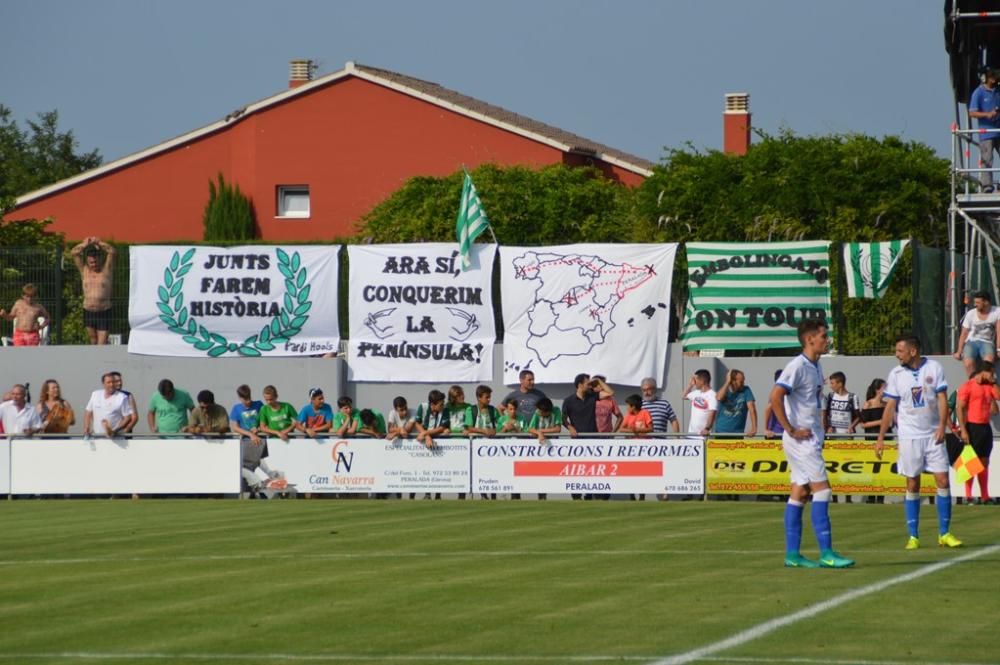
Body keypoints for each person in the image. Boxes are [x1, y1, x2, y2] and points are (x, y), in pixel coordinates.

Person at [770, 318, 855, 568]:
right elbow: (775, 396)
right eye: (823, 336)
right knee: (823, 490)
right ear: (809, 339)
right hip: (801, 440)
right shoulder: (797, 365)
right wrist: (790, 429)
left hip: (809, 438)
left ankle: (792, 555)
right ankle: (827, 553)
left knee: (801, 491)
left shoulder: (816, 365)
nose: (827, 340)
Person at [876, 334, 962, 550]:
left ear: (912, 351)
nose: (897, 355)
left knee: (943, 480)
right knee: (912, 483)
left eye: (900, 351)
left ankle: (944, 533)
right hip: (909, 437)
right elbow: (890, 407)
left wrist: (942, 426)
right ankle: (913, 536)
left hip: (933, 435)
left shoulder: (934, 367)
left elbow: (942, 399)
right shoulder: (896, 374)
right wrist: (880, 437)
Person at [954, 361, 998, 505]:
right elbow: (960, 408)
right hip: (972, 427)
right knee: (970, 462)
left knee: (984, 461)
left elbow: (998, 397)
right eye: (991, 373)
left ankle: (985, 496)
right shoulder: (968, 386)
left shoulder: (989, 386)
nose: (993, 375)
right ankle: (968, 496)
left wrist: (994, 383)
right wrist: (963, 430)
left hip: (985, 427)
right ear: (984, 371)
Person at [71, 236, 116, 345]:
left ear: (100, 259)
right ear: (87, 261)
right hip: (88, 311)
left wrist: (99, 243)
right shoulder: (84, 271)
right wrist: (84, 244)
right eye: (91, 262)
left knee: (101, 343)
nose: (94, 264)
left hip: (104, 310)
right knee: (93, 341)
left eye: (95, 262)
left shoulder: (106, 270)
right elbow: (74, 253)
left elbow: (112, 251)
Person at [952, 291, 1000, 377]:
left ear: (986, 302)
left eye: (978, 303)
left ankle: (986, 381)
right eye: (975, 302)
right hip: (971, 342)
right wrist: (959, 351)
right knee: (968, 363)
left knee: (988, 361)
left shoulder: (997, 312)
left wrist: (998, 350)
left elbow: (999, 331)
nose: (975, 305)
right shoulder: (971, 314)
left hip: (987, 342)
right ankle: (973, 382)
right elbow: (964, 333)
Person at [969, 67, 1000, 193]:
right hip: (986, 133)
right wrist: (987, 114)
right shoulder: (979, 92)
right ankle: (987, 185)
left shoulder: (998, 91)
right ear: (988, 78)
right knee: (987, 159)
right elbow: (972, 112)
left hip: (999, 130)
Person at [84, 372, 134, 438]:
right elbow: (88, 412)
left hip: (116, 438)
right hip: (97, 437)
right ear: (103, 384)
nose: (111, 385)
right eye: (109, 382)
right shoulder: (95, 394)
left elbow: (127, 417)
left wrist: (115, 430)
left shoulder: (122, 397)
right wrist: (87, 426)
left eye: (113, 382)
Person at [715, 369, 757, 436]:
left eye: (743, 381)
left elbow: (752, 409)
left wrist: (754, 428)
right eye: (741, 382)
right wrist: (727, 382)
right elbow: (719, 397)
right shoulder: (725, 390)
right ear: (733, 381)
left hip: (737, 432)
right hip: (721, 431)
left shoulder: (746, 390)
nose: (743, 383)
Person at [683, 370, 717, 436]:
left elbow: (712, 414)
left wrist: (707, 429)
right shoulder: (696, 393)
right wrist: (690, 385)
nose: (694, 382)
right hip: (691, 435)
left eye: (695, 380)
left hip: (702, 436)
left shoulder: (712, 395)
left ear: (702, 381)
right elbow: (684, 396)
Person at [763, 369, 785, 439]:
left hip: (785, 432)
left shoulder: (787, 392)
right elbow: (768, 409)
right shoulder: (777, 392)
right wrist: (766, 429)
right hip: (775, 433)